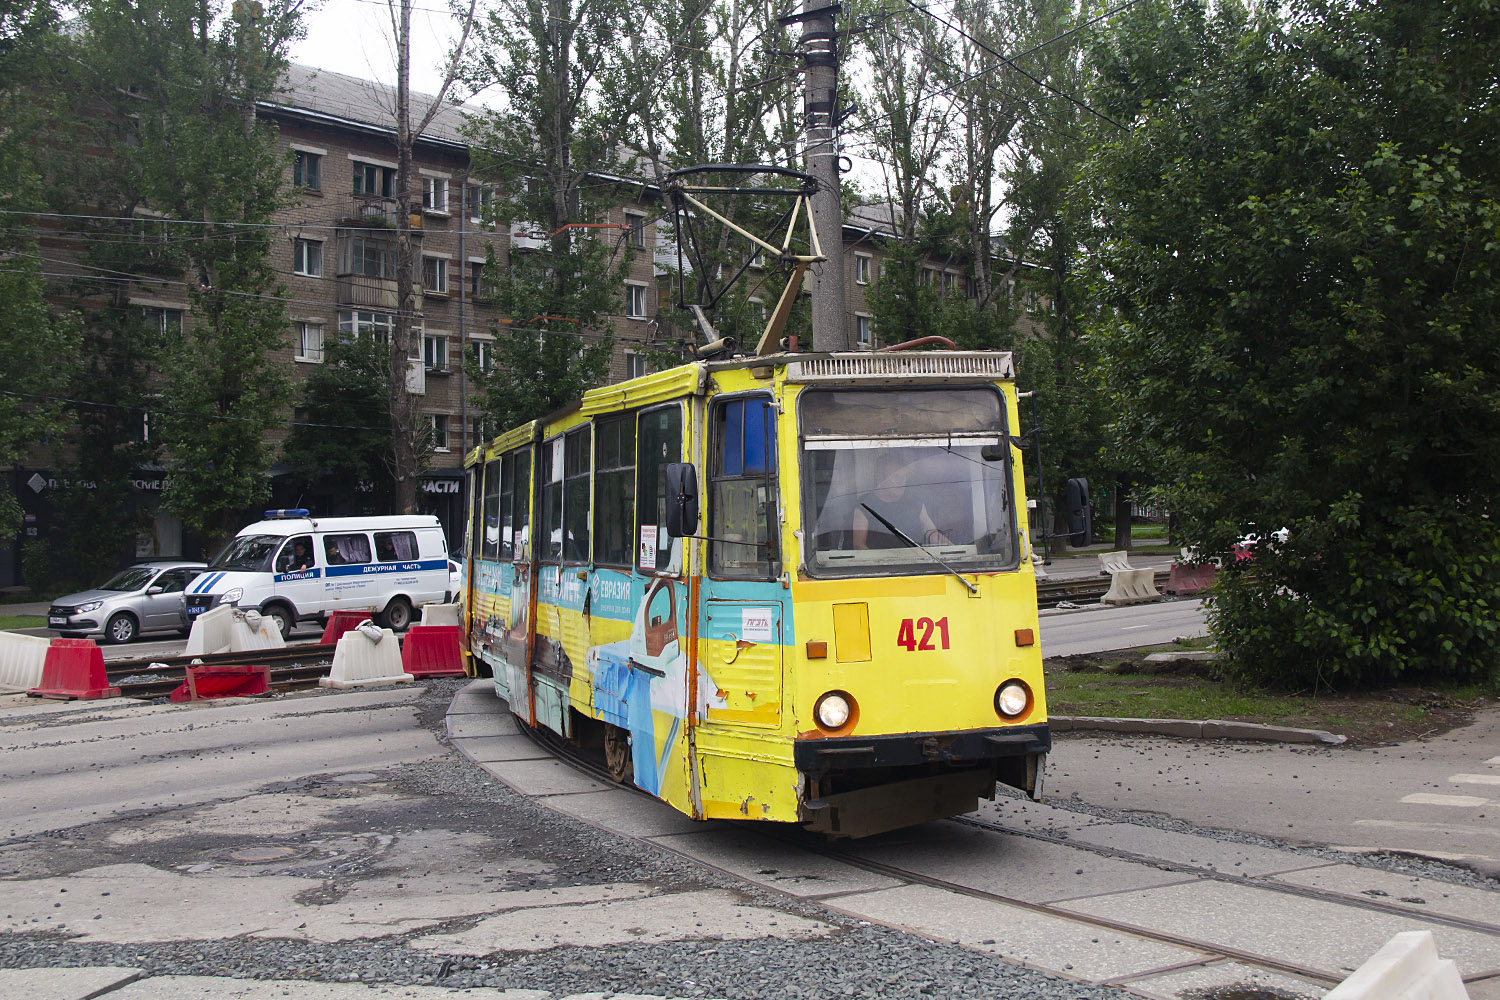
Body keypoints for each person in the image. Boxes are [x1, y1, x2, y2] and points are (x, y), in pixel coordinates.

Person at [852, 453, 960, 550]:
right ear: (881, 478)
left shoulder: (915, 502)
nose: (902, 481)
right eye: (896, 476)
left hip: (915, 565)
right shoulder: (865, 505)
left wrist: (956, 552)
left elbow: (933, 534)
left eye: (904, 476)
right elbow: (859, 545)